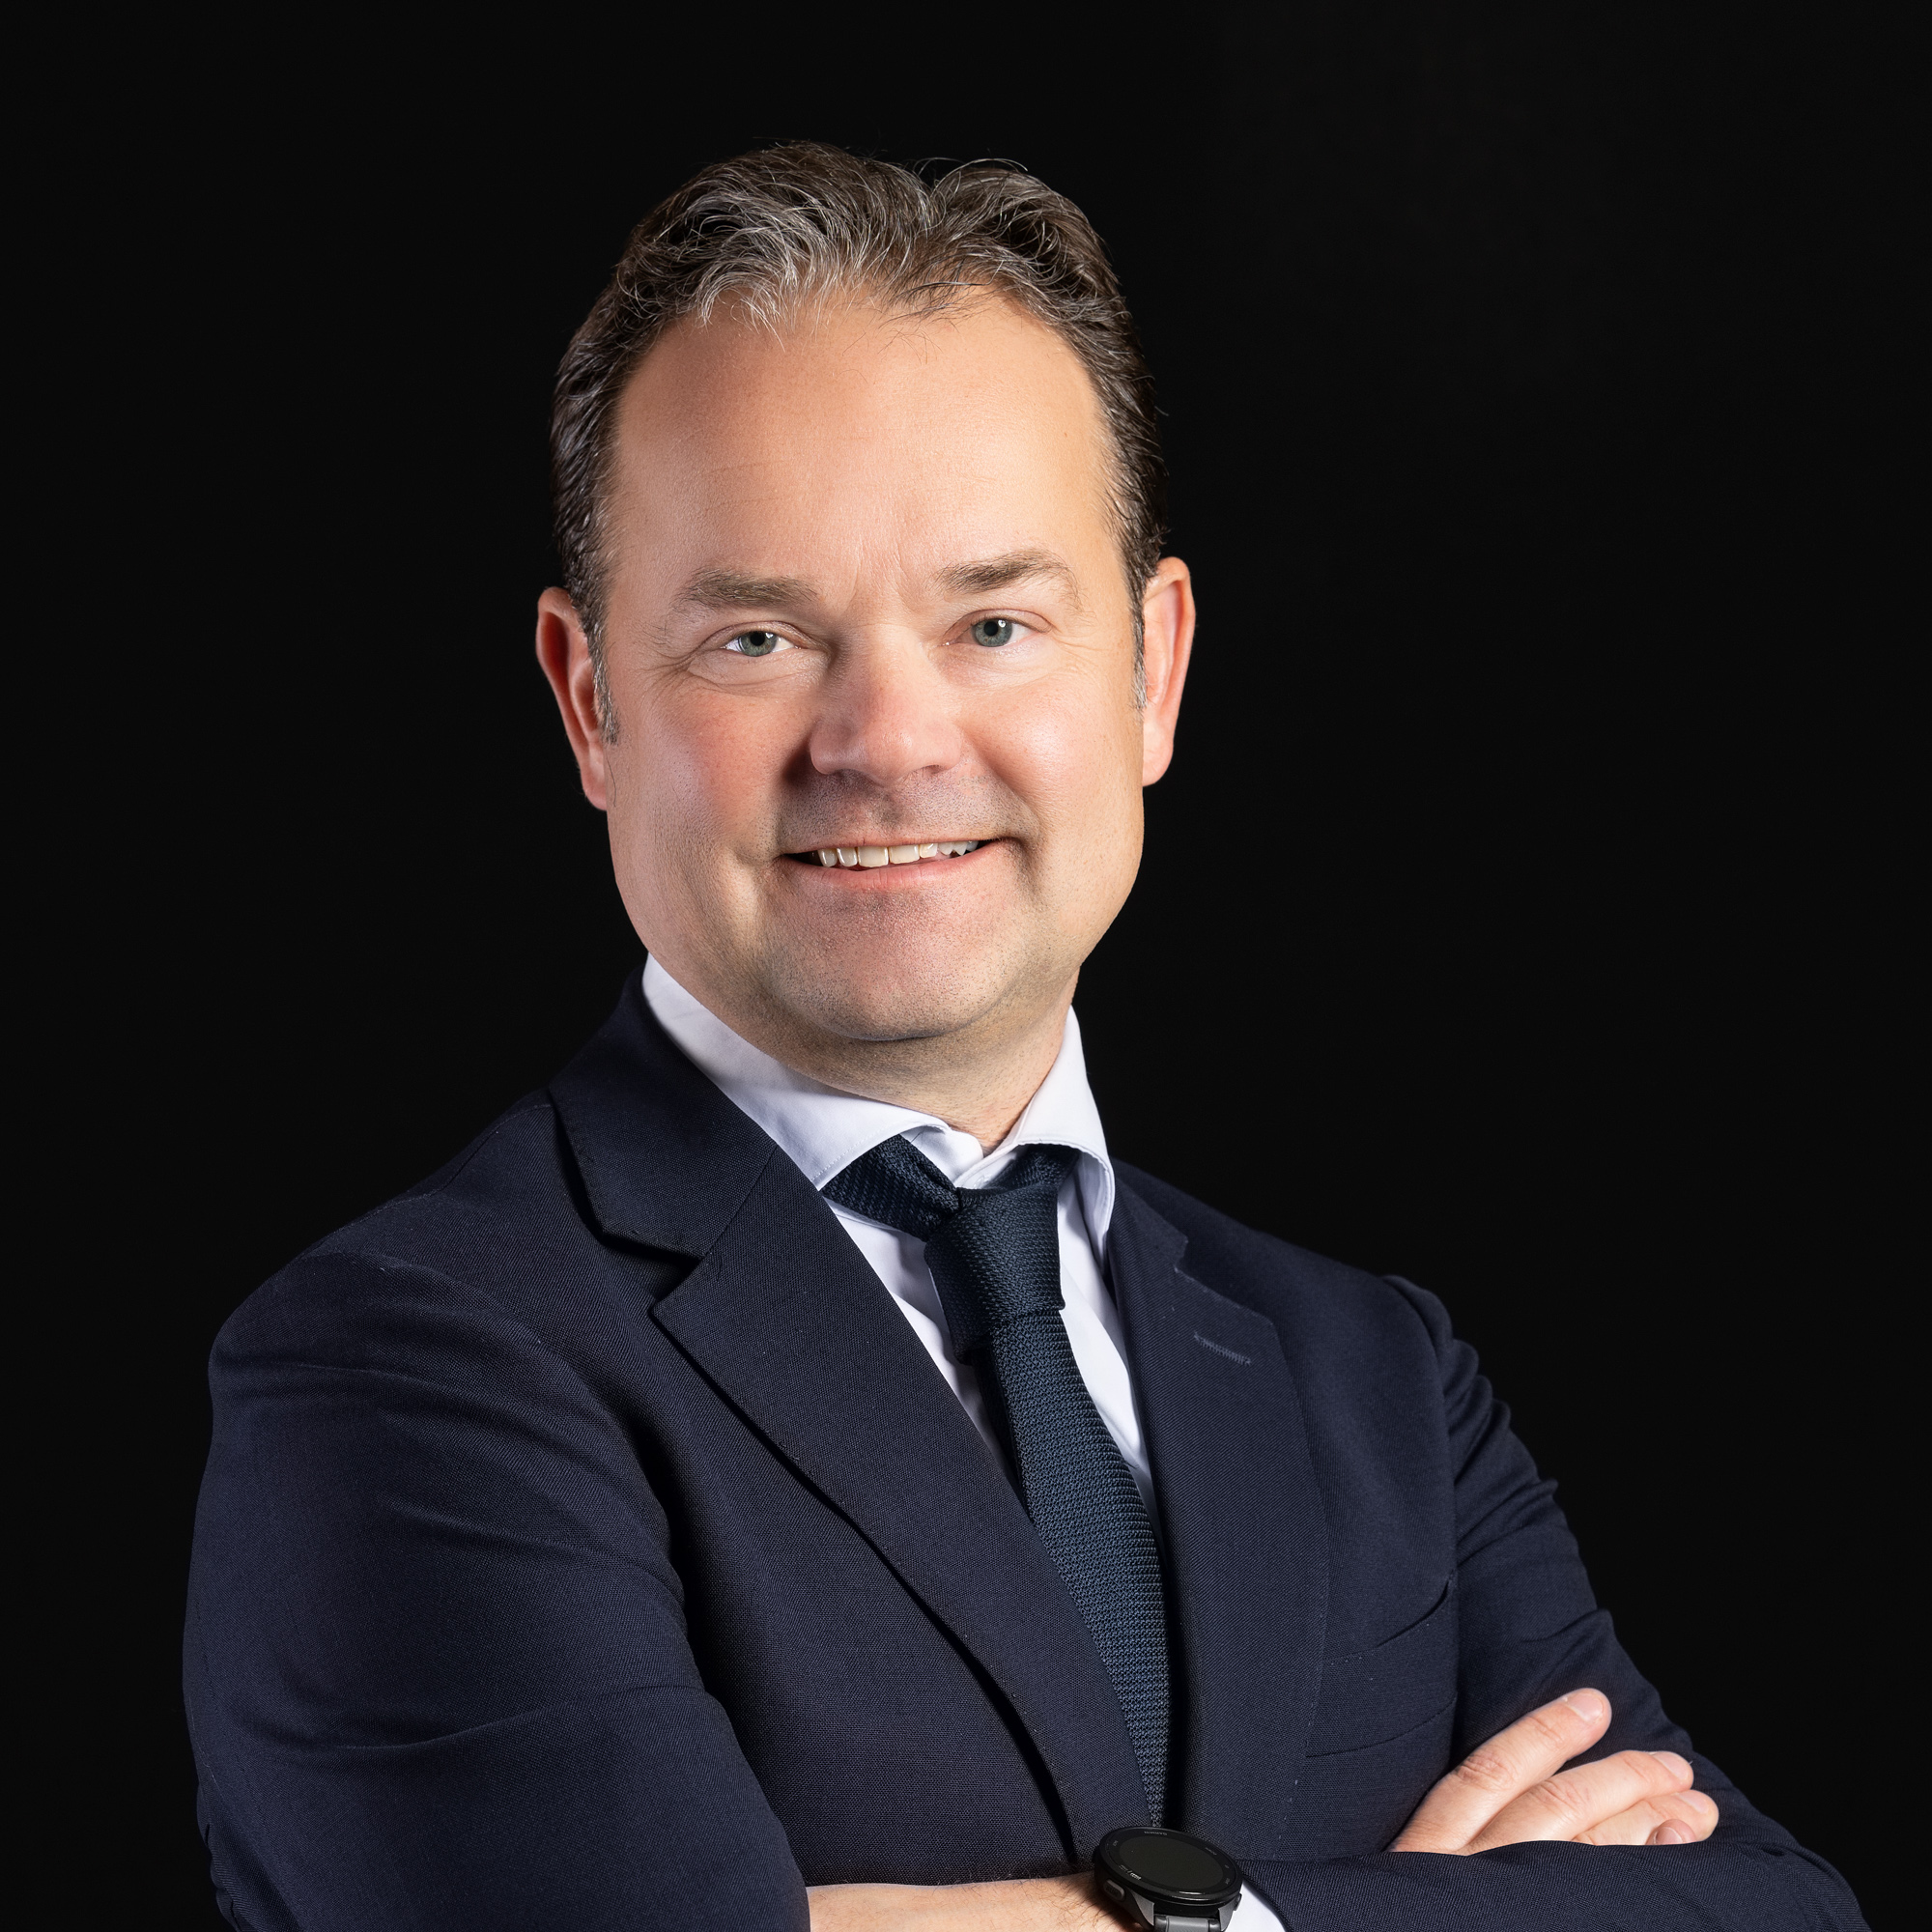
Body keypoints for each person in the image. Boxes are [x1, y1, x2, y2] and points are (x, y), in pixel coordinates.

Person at [184, 144, 1862, 1931]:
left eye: (994, 622)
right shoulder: (403, 1368)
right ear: (590, 702)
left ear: (1153, 670)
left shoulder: (1376, 1380)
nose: (890, 742)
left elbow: (1772, 1915)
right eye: (759, 637)